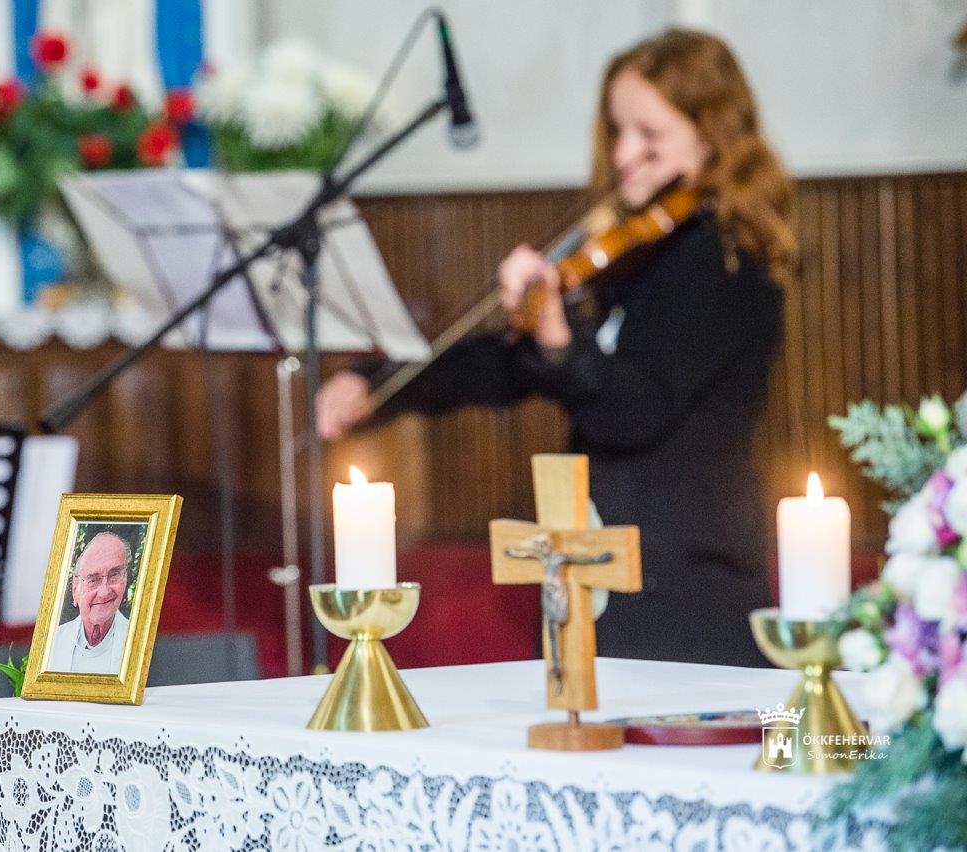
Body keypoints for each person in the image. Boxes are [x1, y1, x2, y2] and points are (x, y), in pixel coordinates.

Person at [316, 29, 795, 668]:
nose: (624, 154)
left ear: (712, 135)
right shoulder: (636, 254)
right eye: (616, 131)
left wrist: (556, 336)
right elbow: (501, 364)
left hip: (685, 587)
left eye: (648, 135)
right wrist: (374, 383)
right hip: (608, 576)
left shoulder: (724, 259)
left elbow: (634, 412)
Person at [49, 532, 133, 674]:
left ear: (125, 580)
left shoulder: (139, 640)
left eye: (114, 575)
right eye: (93, 580)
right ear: (75, 589)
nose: (104, 592)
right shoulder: (51, 643)